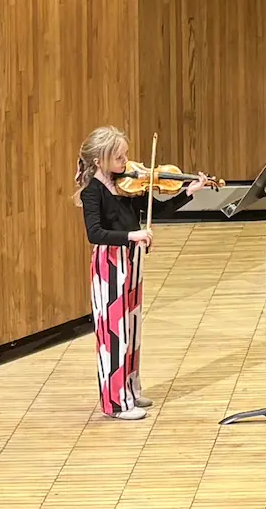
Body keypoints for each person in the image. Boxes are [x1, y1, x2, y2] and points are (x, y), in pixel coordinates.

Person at [74, 126, 208, 421]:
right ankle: (115, 403)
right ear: (100, 160)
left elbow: (155, 212)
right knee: (115, 333)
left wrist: (188, 192)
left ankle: (130, 389)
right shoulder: (93, 191)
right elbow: (95, 234)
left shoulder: (124, 184)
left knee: (132, 330)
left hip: (131, 261)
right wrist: (132, 235)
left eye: (125, 155)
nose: (126, 162)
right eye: (119, 157)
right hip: (110, 265)